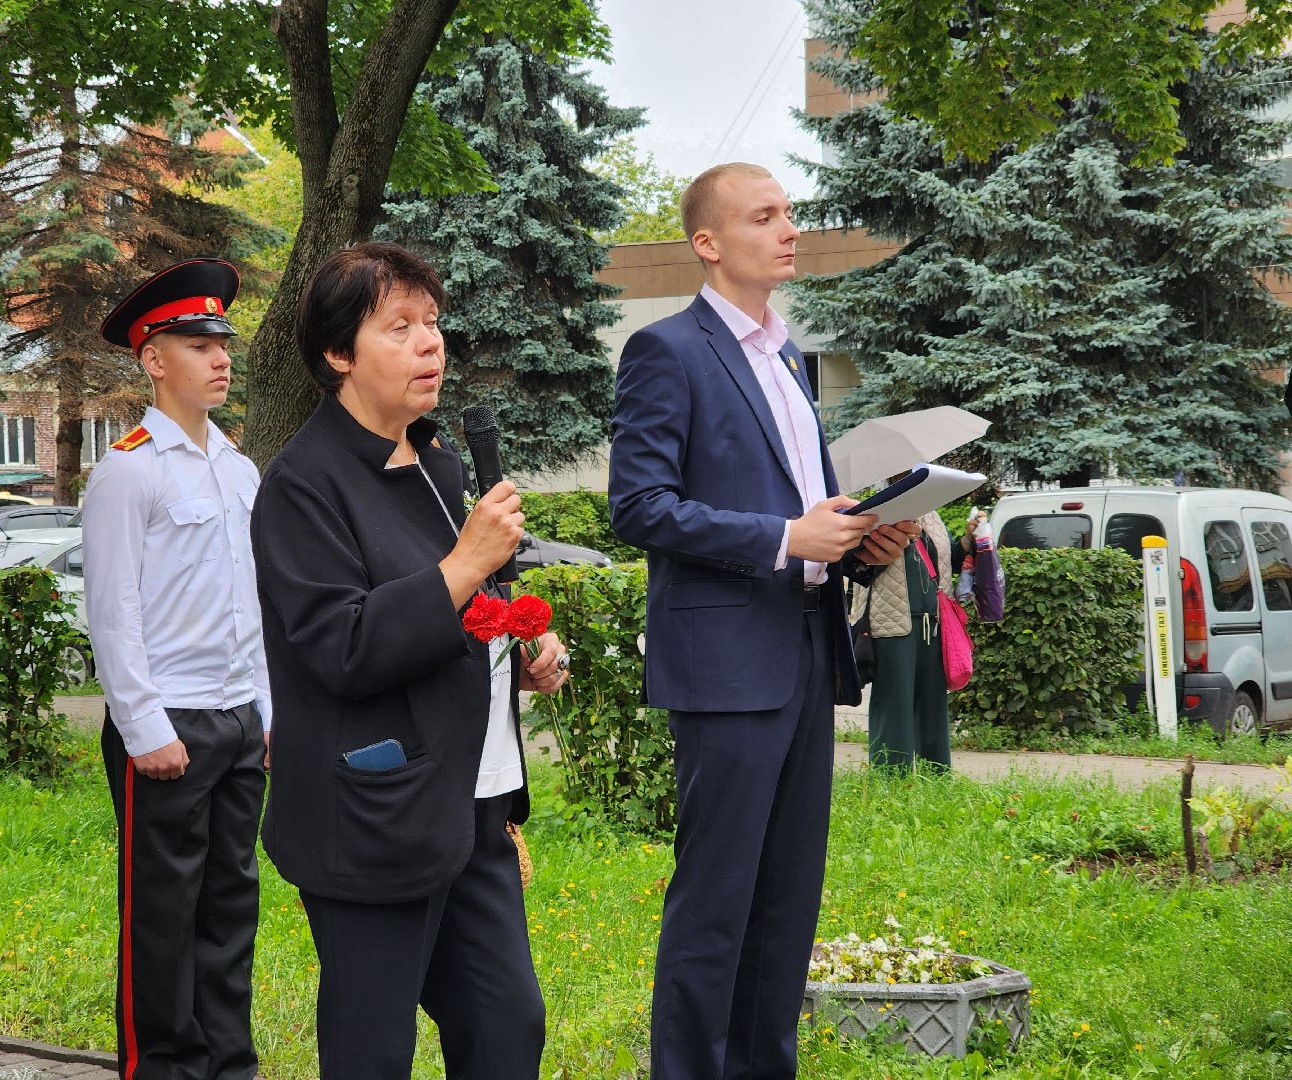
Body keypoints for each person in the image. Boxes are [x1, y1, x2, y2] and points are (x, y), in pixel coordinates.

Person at [608, 162, 919, 1080]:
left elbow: (801, 506)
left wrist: (857, 534)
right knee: (715, 904)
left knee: (787, 902)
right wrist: (787, 534)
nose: (791, 228)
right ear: (708, 242)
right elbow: (638, 505)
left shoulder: (787, 358)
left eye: (791, 212)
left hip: (802, 655)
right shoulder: (667, 350)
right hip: (723, 666)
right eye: (764, 216)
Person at [251, 241, 569, 1080]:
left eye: (432, 323)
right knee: (373, 1050)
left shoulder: (438, 460)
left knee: (508, 1028)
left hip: (475, 801)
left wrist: (523, 636)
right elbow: (342, 646)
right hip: (375, 814)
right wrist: (464, 564)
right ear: (337, 353)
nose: (430, 343)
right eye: (399, 327)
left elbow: (471, 604)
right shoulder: (301, 484)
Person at [82, 258, 271, 1079]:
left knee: (230, 911)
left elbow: (255, 606)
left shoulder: (239, 469)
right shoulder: (129, 469)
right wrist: (144, 727)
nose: (219, 357)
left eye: (222, 342)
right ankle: (162, 1068)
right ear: (153, 359)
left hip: (236, 723)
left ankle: (227, 1066)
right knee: (162, 919)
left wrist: (268, 716)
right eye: (197, 344)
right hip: (169, 729)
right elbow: (113, 611)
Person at [852, 509, 955, 771]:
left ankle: (937, 774)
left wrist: (966, 542)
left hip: (933, 622)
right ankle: (890, 776)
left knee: (933, 703)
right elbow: (857, 566)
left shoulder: (930, 513)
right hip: (892, 622)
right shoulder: (879, 509)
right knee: (894, 703)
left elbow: (943, 555)